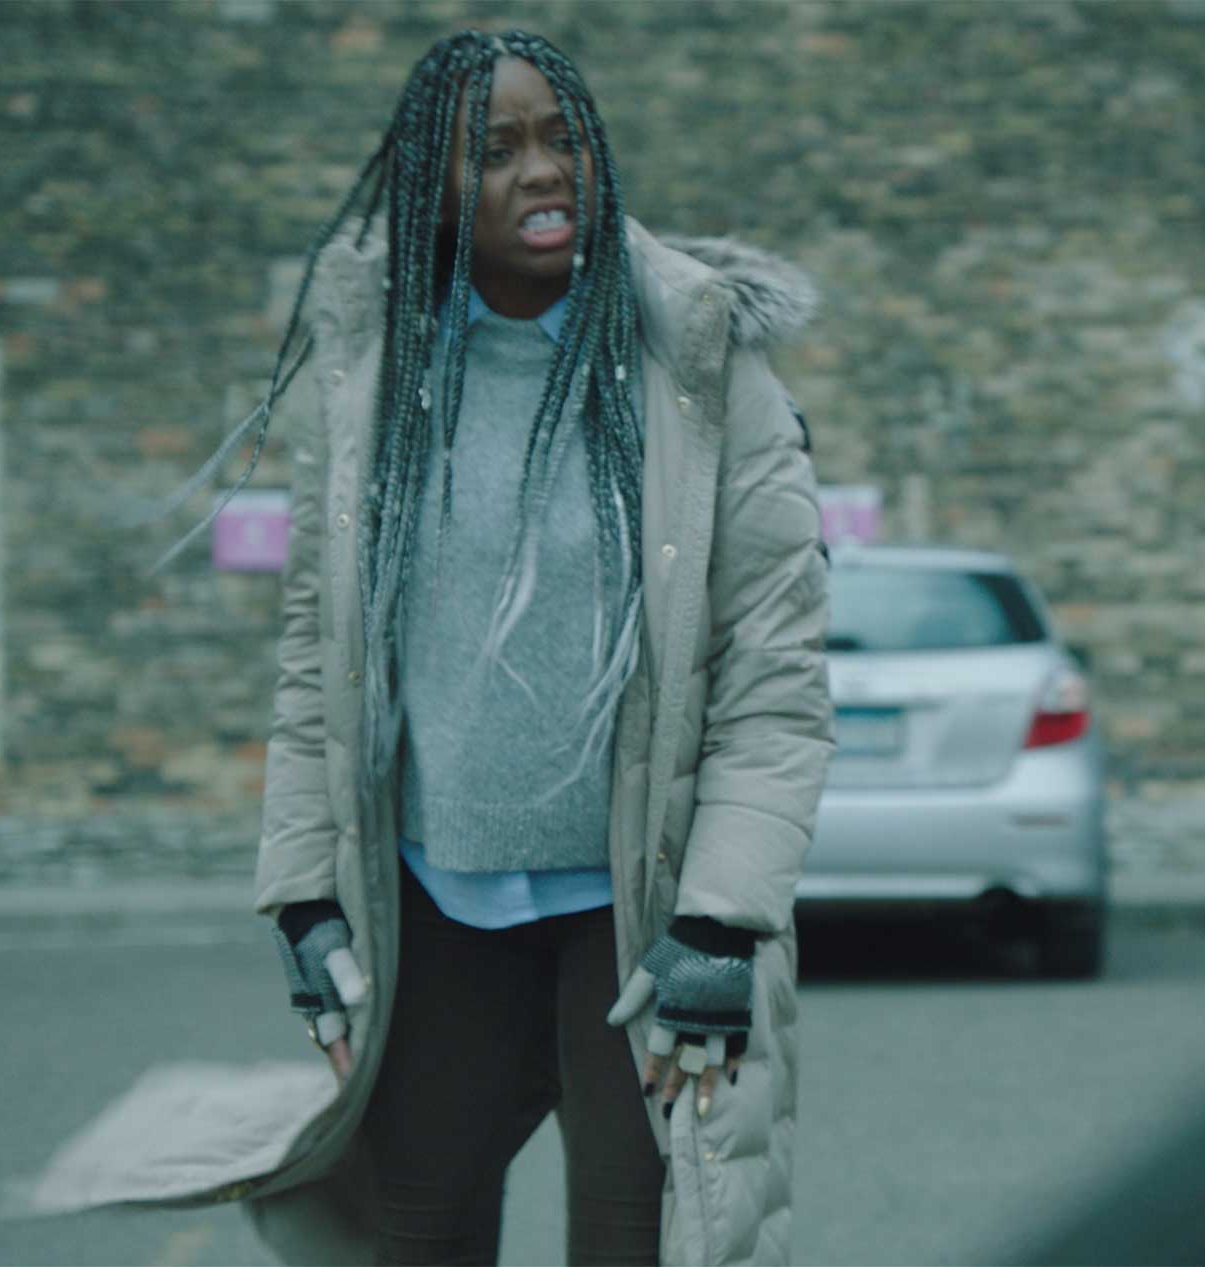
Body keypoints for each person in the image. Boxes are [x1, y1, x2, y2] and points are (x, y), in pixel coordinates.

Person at [173, 27, 830, 1267]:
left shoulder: (697, 364)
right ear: (435, 187)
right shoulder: (371, 376)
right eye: (497, 149)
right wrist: (305, 894)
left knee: (638, 1243)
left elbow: (774, 684)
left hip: (640, 923)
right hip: (434, 901)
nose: (543, 170)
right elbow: (322, 659)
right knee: (411, 1235)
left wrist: (721, 923)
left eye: (561, 136)